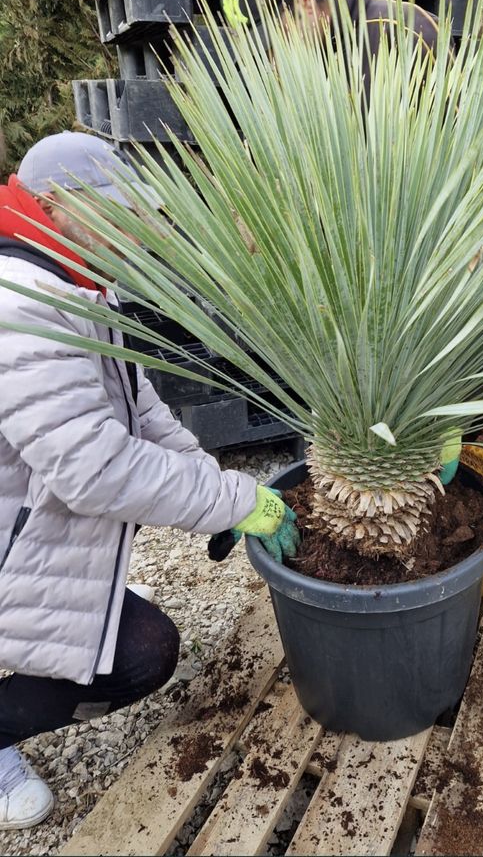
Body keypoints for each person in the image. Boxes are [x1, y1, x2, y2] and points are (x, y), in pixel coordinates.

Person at [0, 131, 299, 829]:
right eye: (118, 213)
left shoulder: (70, 278)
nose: (134, 230)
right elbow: (96, 469)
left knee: (105, 621)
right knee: (138, 657)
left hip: (20, 524)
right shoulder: (20, 307)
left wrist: (217, 492)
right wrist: (235, 498)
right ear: (54, 204)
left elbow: (142, 417)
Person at [218, 0, 441, 100]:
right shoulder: (294, 74)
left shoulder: (406, 33)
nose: (273, 60)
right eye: (263, 51)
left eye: (275, 38)